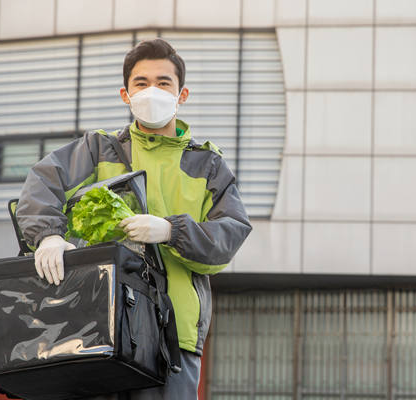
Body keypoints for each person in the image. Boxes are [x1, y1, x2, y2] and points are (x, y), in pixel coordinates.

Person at [16, 38, 252, 399]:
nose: (152, 91)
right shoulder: (98, 150)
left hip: (172, 336)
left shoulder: (209, 165)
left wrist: (172, 231)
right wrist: (48, 234)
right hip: (95, 324)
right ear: (125, 95)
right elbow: (43, 182)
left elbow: (229, 234)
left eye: (163, 82)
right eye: (141, 83)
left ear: (182, 94)